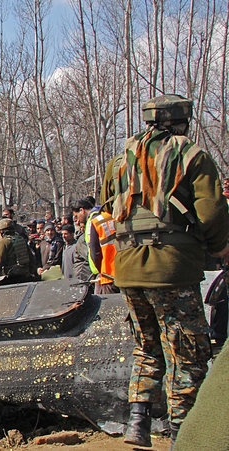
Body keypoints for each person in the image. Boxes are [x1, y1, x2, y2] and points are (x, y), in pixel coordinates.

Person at [100, 94, 229, 449]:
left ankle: (137, 422)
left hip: (127, 266)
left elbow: (109, 206)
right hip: (170, 268)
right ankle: (180, 434)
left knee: (146, 347)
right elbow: (213, 211)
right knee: (186, 351)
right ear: (180, 122)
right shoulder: (190, 154)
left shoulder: (120, 159)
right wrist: (220, 246)